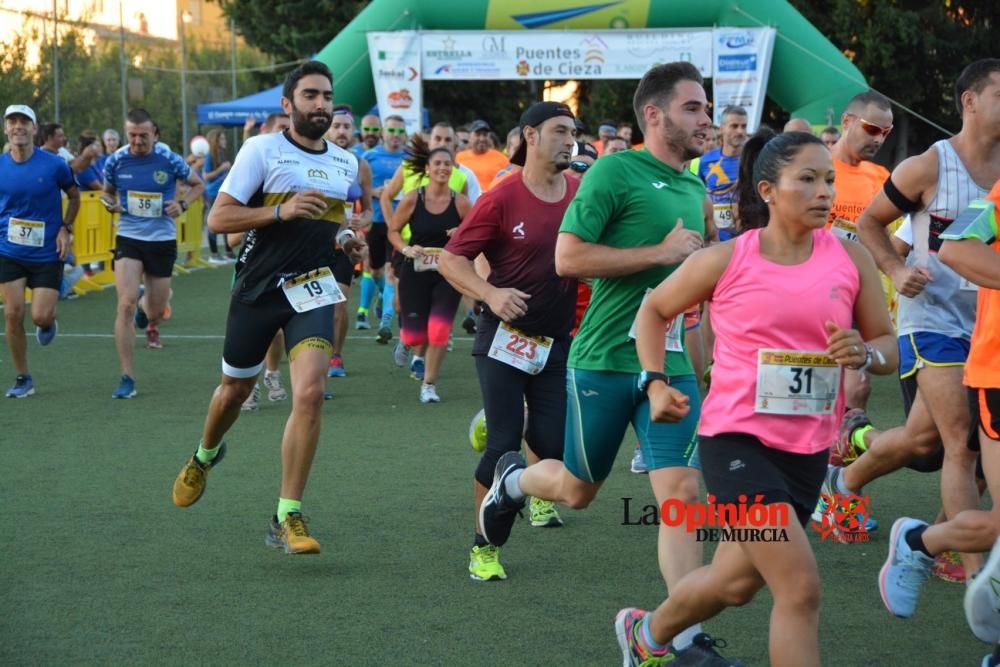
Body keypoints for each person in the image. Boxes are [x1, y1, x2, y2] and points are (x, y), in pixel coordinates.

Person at [478, 62, 732, 664]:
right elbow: (567, 258)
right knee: (576, 490)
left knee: (681, 491)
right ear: (654, 114)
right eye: (693, 108)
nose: (706, 120)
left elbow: (694, 284)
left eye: (706, 109)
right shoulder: (615, 173)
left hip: (667, 364)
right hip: (602, 360)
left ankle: (683, 635)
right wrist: (660, 252)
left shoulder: (696, 189)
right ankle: (510, 482)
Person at [616, 127, 897, 667]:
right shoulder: (727, 259)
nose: (824, 192)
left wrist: (867, 354)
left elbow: (887, 346)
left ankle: (646, 632)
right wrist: (655, 382)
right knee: (799, 587)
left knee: (734, 583)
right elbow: (652, 311)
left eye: (829, 180)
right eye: (808, 179)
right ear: (768, 190)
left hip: (808, 448)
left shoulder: (850, 258)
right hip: (736, 441)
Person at [171, 60, 360, 554]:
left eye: (327, 97)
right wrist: (281, 210)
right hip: (257, 291)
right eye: (311, 96)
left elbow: (333, 225)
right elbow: (219, 218)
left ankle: (287, 514)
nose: (321, 105)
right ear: (288, 104)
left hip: (312, 289)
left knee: (311, 392)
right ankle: (205, 454)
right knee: (233, 392)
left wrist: (346, 240)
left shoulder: (343, 162)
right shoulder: (261, 149)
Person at [855, 58, 998, 583]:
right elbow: (870, 222)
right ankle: (977, 571)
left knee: (924, 442)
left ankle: (847, 483)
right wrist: (894, 266)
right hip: (932, 318)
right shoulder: (929, 165)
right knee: (960, 439)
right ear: (970, 101)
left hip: (988, 326)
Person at [440, 101, 579, 581]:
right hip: (503, 338)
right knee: (503, 445)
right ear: (530, 137)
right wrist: (490, 294)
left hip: (557, 343)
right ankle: (484, 546)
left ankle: (507, 459)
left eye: (572, 132)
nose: (569, 139)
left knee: (557, 453)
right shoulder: (502, 196)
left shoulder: (580, 193)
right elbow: (451, 260)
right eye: (559, 131)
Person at [102, 109, 204, 396]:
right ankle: (127, 378)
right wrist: (108, 203)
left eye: (143, 136)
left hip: (161, 239)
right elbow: (107, 192)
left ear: (154, 134)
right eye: (132, 135)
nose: (137, 141)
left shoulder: (168, 159)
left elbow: (198, 185)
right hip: (129, 236)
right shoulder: (116, 160)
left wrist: (182, 205)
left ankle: (149, 310)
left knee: (157, 311)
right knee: (125, 304)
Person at [0, 104, 79, 397]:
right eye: (12, 122)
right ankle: (23, 378)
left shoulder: (54, 165)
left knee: (40, 317)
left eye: (24, 122)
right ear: (6, 128)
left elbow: (74, 195)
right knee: (13, 313)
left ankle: (48, 323)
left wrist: (65, 228)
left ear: (34, 129)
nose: (18, 127)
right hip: (9, 250)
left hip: (47, 251)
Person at [823, 91, 894, 417]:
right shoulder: (817, 166)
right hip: (815, 290)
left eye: (885, 132)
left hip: (860, 291)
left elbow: (894, 238)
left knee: (858, 387)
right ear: (847, 121)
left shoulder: (882, 178)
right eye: (871, 128)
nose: (878, 138)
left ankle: (841, 459)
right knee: (820, 385)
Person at [387, 135, 470, 403]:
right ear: (428, 168)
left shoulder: (461, 202)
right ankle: (407, 342)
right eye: (438, 164)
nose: (443, 168)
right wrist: (405, 249)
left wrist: (461, 232)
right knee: (414, 335)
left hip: (448, 272)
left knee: (440, 331)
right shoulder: (413, 199)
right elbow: (393, 231)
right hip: (416, 270)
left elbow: (478, 233)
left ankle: (429, 384)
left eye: (448, 164)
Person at [326, 104, 373, 378]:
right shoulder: (316, 159)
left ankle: (335, 355)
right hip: (315, 244)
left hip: (344, 246)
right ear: (328, 129)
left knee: (338, 306)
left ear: (353, 130)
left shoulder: (360, 164)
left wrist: (362, 221)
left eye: (346, 126)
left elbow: (368, 209)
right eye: (336, 126)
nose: (341, 131)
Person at [357, 114, 406, 340]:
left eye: (399, 132)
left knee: (390, 271)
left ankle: (385, 322)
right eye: (391, 131)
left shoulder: (410, 159)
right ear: (383, 133)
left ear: (404, 135)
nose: (395, 136)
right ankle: (380, 297)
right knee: (374, 269)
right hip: (375, 220)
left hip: (401, 223)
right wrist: (375, 192)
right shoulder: (370, 156)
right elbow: (358, 187)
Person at [698, 106, 747, 241]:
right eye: (734, 126)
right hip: (715, 239)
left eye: (744, 126)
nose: (740, 131)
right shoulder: (705, 161)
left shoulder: (753, 160)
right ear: (722, 128)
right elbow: (697, 195)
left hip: (745, 237)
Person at [203, 129, 235, 264]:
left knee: (226, 220)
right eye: (222, 139)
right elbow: (206, 176)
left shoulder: (221, 154)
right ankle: (214, 253)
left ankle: (228, 251)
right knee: (214, 221)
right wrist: (221, 169)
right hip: (212, 193)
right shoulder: (210, 156)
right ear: (215, 141)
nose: (225, 141)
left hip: (222, 192)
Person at [457, 119, 509, 191]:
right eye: (478, 135)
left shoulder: (502, 159)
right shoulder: (458, 158)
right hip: (467, 200)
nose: (482, 139)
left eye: (485, 135)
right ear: (469, 137)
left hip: (492, 200)